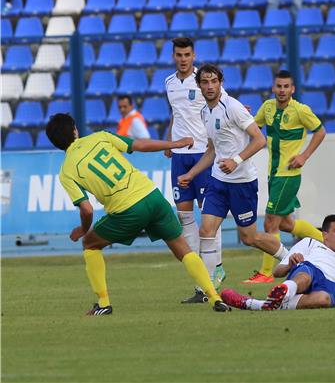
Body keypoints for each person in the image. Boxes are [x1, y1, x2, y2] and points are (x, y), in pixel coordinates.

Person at [44, 113, 229, 315]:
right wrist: (174, 144)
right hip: (153, 196)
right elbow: (139, 145)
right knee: (183, 250)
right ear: (75, 130)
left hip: (127, 210)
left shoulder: (66, 171)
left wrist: (82, 229)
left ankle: (103, 304)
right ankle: (214, 297)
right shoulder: (99, 137)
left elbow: (86, 209)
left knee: (90, 244)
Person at [177, 64, 289, 268]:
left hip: (242, 183)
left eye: (214, 81)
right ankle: (212, 287)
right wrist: (191, 174)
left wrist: (235, 160)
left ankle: (289, 258)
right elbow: (212, 150)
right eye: (205, 82)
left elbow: (258, 140)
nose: (210, 86)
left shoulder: (233, 107)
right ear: (199, 85)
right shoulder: (204, 112)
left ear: (221, 83)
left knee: (249, 237)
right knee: (206, 231)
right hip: (218, 182)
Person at [243, 70, 326, 284]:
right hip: (274, 174)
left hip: (288, 174)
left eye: (286, 87)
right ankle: (325, 243)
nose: (282, 90)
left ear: (292, 89)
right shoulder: (268, 107)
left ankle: (266, 273)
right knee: (287, 224)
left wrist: (304, 156)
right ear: (273, 88)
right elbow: (253, 127)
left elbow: (320, 132)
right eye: (278, 86)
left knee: (270, 223)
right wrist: (243, 115)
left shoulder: (300, 110)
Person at [164, 37, 225, 304]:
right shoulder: (168, 82)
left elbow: (224, 103)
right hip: (179, 157)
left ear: (193, 55)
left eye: (187, 54)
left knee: (209, 215)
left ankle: (216, 268)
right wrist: (170, 141)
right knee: (184, 217)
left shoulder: (204, 81)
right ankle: (202, 279)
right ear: (174, 56)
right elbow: (176, 113)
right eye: (179, 54)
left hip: (203, 154)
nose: (183, 59)